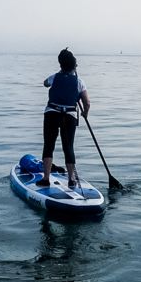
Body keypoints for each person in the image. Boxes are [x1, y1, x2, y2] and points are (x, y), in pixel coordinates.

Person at [36, 48, 90, 189]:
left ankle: (46, 178)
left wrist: (59, 74)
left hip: (52, 114)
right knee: (68, 147)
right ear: (74, 65)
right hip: (69, 116)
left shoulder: (54, 77)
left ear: (60, 64)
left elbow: (45, 83)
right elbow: (87, 102)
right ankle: (71, 179)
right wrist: (85, 113)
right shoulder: (79, 82)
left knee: (49, 145)